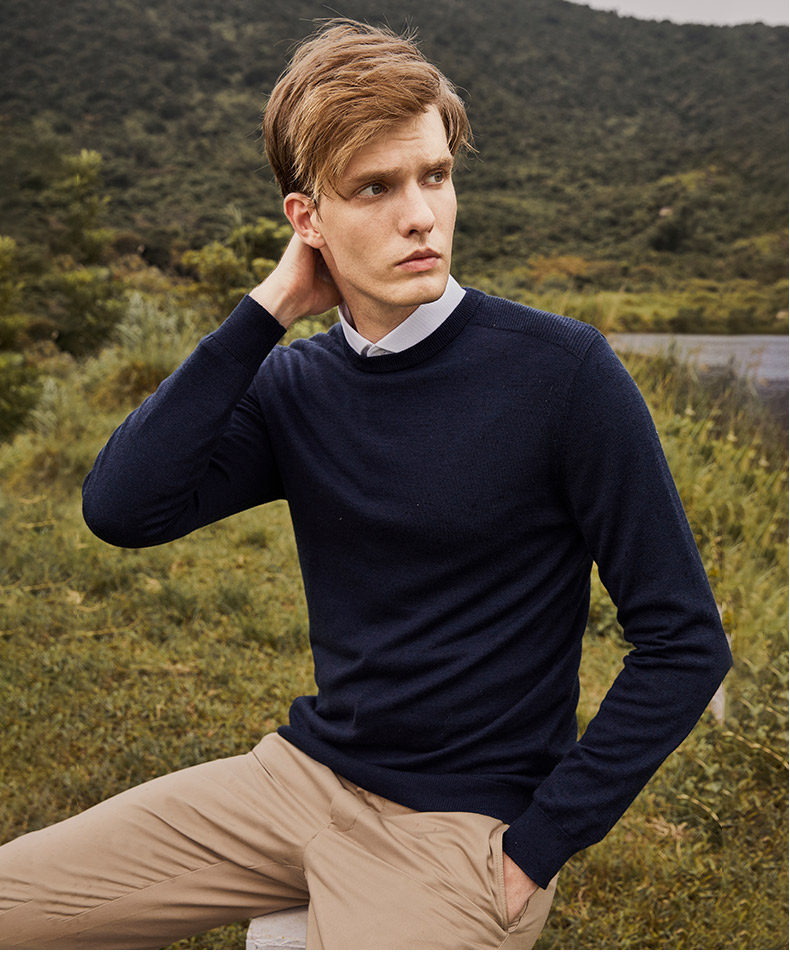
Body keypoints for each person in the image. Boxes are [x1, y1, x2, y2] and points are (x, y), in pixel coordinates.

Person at [0, 20, 731, 950]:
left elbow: (684, 642)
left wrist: (536, 849)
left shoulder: (563, 374)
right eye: (376, 188)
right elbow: (121, 509)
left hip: (456, 832)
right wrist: (267, 310)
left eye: (436, 175)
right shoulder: (294, 385)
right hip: (296, 781)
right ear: (307, 219)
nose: (421, 215)